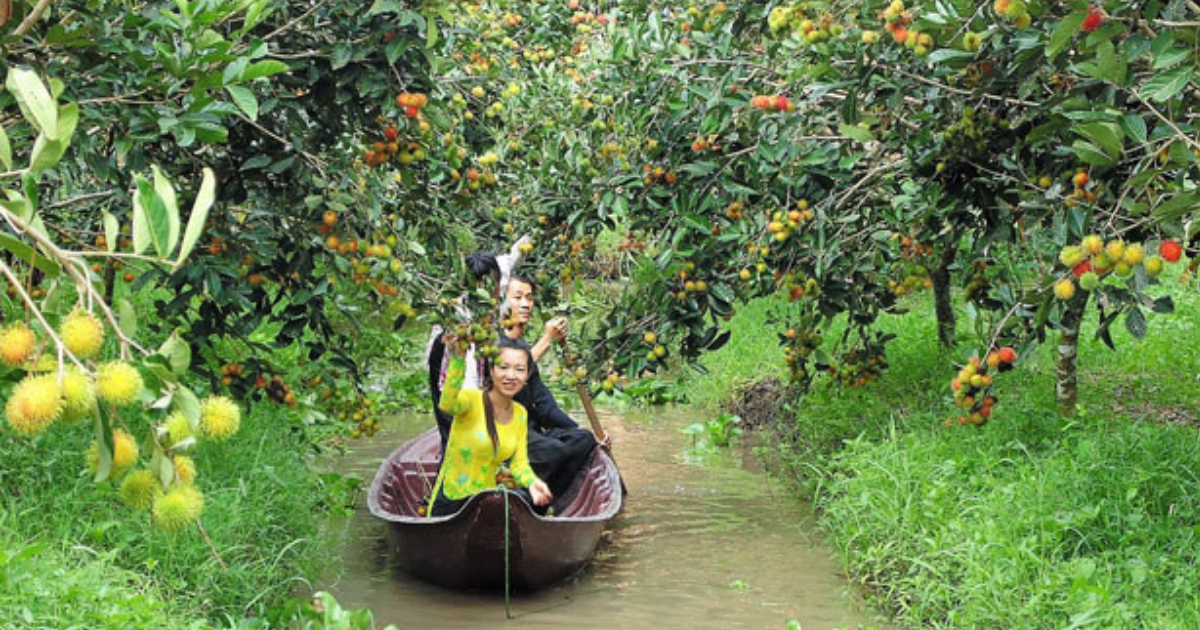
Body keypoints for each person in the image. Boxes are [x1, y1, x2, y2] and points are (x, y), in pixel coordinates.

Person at [503, 274, 606, 502]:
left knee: (583, 439)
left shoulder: (522, 346)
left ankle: (548, 499)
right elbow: (506, 380)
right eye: (517, 297)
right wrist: (547, 339)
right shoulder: (492, 344)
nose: (525, 304)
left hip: (529, 432)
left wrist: (579, 430)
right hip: (502, 431)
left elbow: (545, 405)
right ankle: (523, 495)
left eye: (529, 298)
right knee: (553, 451)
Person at [427, 334, 552, 517]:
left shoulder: (520, 413)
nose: (511, 376)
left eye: (519, 369)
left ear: (527, 375)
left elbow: (519, 465)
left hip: (484, 505)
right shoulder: (471, 400)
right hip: (452, 503)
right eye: (503, 367)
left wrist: (533, 482)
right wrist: (458, 360)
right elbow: (446, 404)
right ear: (492, 371)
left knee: (526, 500)